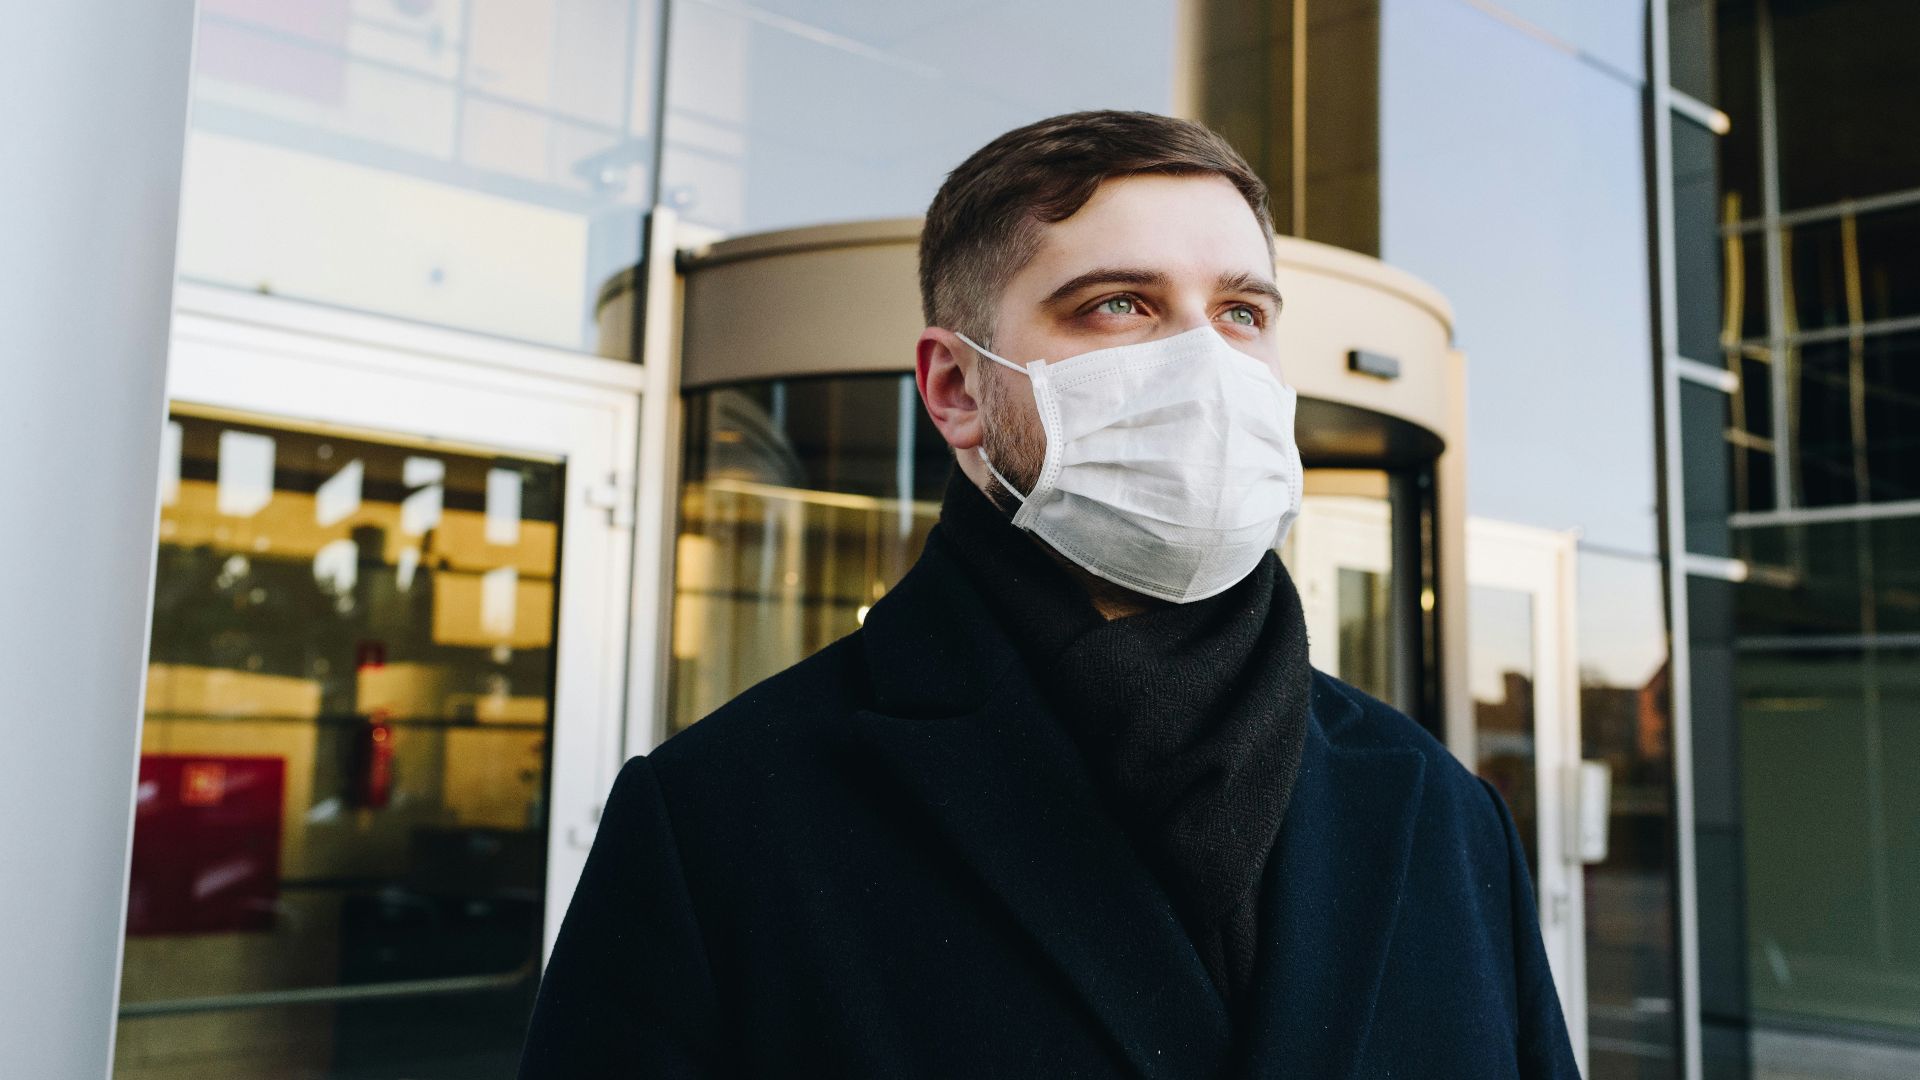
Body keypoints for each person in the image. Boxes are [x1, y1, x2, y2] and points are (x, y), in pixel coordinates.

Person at [518, 110, 1580, 1079]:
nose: (1207, 366)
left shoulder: (1442, 811)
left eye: (1241, 311)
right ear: (956, 389)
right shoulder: (721, 820)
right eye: (1120, 304)